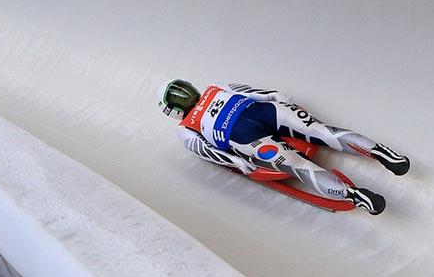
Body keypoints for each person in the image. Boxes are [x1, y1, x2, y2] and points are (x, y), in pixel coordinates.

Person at [158, 79, 409, 215]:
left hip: (247, 138)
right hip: (266, 113)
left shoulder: (186, 129)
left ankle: (355, 195)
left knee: (299, 166)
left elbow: (209, 152)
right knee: (321, 131)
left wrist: (239, 163)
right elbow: (263, 93)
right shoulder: (219, 87)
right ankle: (380, 152)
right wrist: (280, 98)